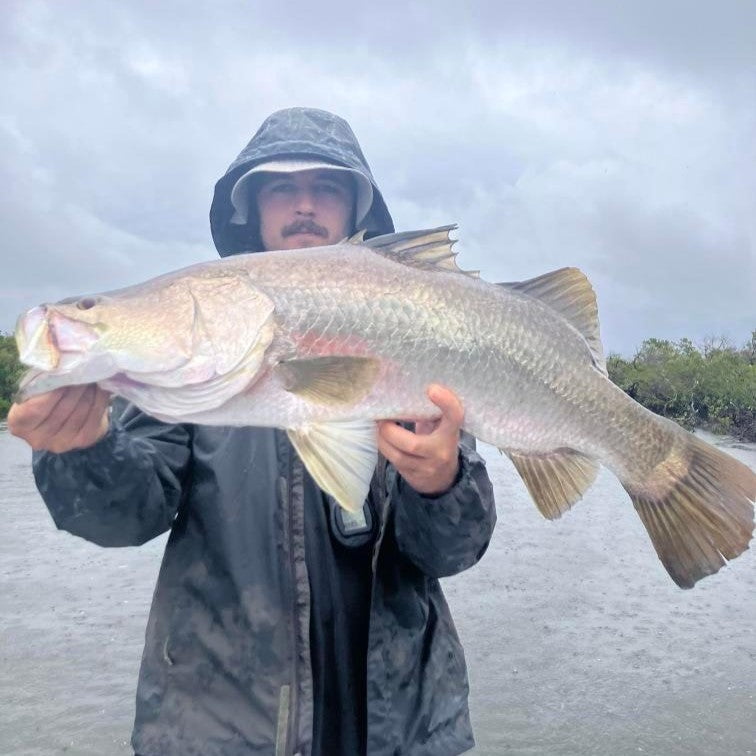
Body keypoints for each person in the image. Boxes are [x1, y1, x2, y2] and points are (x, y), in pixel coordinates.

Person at [9, 107, 497, 756]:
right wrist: (82, 451)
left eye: (326, 187)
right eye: (280, 187)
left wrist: (442, 483)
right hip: (220, 730)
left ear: (357, 208)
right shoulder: (173, 382)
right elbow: (120, 519)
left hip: (398, 726)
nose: (303, 205)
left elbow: (453, 554)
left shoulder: (418, 325)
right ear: (251, 209)